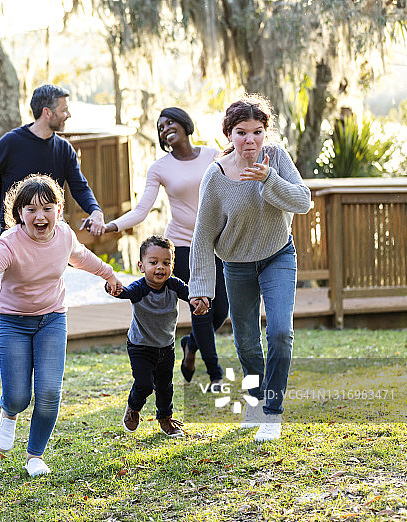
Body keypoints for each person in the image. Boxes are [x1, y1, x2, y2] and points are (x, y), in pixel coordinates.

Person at [0, 174, 122, 477]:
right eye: (31, 209)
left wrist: (109, 274)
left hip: (52, 318)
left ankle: (35, 455)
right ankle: (9, 411)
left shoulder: (63, 235)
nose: (40, 216)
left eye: (48, 208)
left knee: (49, 392)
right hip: (13, 322)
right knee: (18, 396)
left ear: (59, 211)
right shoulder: (9, 245)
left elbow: (81, 257)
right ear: (19, 214)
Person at [188, 95, 311, 442]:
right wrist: (201, 288)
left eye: (258, 132)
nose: (250, 141)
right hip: (237, 265)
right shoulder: (215, 177)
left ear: (265, 132)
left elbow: (303, 201)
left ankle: (271, 412)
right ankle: (255, 402)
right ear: (229, 134)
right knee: (246, 342)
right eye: (241, 132)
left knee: (280, 333)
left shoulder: (278, 159)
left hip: (278, 256)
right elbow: (203, 236)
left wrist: (269, 179)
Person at [104, 107, 226, 390]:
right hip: (182, 245)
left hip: (216, 243)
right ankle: (215, 373)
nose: (165, 128)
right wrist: (112, 227)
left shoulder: (212, 155)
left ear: (185, 124)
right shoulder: (160, 167)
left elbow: (231, 186)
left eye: (170, 122)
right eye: (160, 126)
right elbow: (142, 209)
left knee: (220, 310)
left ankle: (190, 344)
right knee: (201, 307)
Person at [0, 84, 107, 253]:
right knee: (9, 281)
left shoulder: (64, 149)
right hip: (13, 238)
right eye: (64, 110)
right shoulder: (11, 142)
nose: (68, 115)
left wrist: (95, 211)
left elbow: (80, 187)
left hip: (49, 237)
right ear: (47, 113)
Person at [106, 235, 207, 438]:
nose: (160, 268)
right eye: (153, 263)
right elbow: (124, 292)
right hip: (140, 346)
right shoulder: (139, 288)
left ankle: (165, 420)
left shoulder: (174, 285)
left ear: (172, 265)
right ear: (141, 266)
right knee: (144, 384)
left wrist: (198, 301)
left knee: (164, 386)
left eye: (166, 263)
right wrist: (114, 289)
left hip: (165, 346)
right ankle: (133, 407)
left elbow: (190, 294)